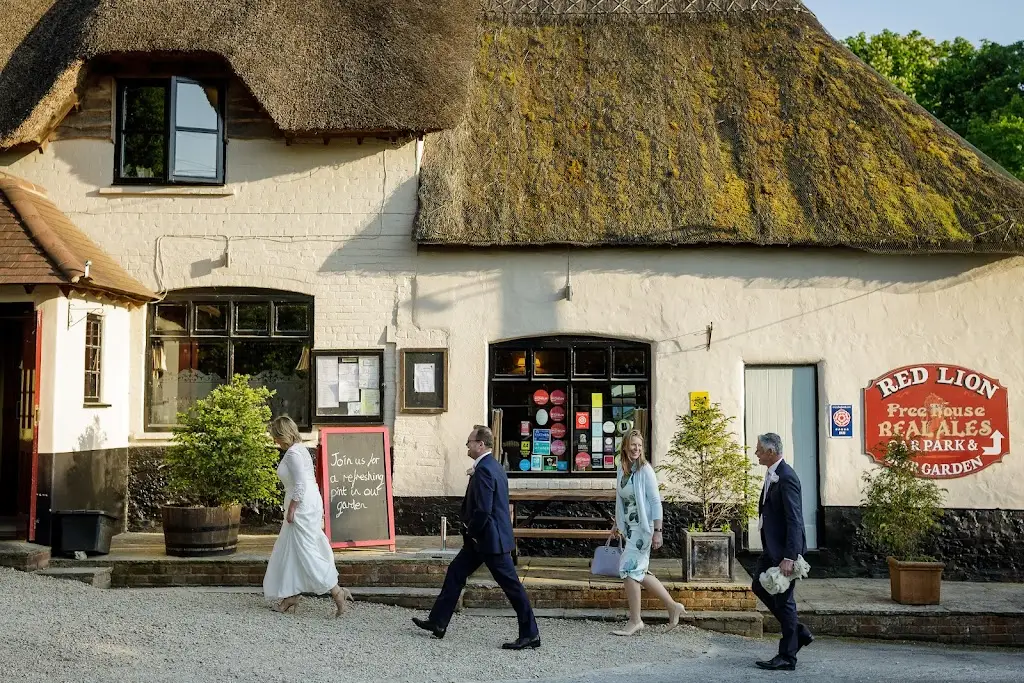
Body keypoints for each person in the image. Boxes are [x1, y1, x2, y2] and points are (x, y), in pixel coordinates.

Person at [412, 425, 540, 650]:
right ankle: (438, 622)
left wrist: (471, 531)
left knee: (512, 586)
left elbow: (483, 509)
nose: (467, 445)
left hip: (489, 540)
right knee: (455, 573)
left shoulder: (485, 470)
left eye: (470, 441)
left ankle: (530, 634)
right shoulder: (493, 466)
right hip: (483, 540)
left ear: (481, 445)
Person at [263, 415, 353, 617]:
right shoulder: (299, 450)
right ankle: (291, 595)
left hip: (302, 505)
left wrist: (293, 508)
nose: (274, 440)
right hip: (307, 502)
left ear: (282, 434)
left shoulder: (294, 454)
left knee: (306, 550)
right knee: (293, 549)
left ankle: (336, 591)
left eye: (275, 436)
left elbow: (300, 485)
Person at [611, 429, 686, 636]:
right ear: (625, 446)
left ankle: (635, 620)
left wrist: (658, 531)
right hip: (630, 528)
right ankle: (672, 606)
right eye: (633, 444)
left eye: (639, 445)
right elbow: (622, 499)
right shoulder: (623, 468)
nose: (636, 449)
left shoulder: (645, 470)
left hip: (643, 529)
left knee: (627, 569)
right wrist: (617, 523)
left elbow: (655, 502)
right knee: (639, 572)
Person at [751, 433, 813, 671]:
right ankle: (799, 632)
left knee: (785, 602)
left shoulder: (787, 477)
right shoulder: (772, 474)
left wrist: (790, 557)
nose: (756, 453)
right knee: (758, 585)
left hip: (784, 552)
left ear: (771, 452)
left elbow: (794, 519)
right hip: (771, 548)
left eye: (759, 450)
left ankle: (788, 656)